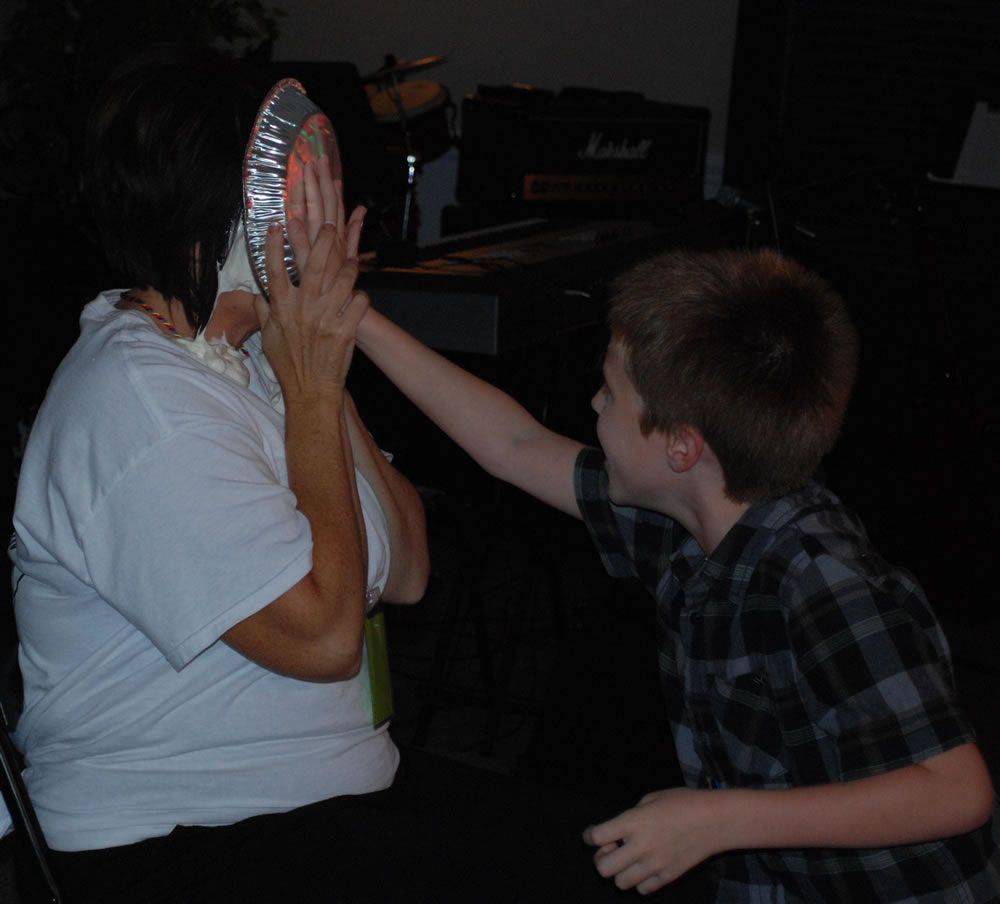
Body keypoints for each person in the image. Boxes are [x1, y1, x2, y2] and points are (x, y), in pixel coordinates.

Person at [354, 247, 1000, 900]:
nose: (593, 402)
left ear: (682, 447)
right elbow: (514, 445)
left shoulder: (823, 578)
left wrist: (719, 819)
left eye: (610, 393)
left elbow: (956, 791)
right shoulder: (688, 521)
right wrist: (354, 318)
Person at [7, 46, 434, 901]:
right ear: (222, 221)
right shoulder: (137, 402)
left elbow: (412, 572)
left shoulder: (255, 360)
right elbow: (323, 639)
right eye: (296, 202)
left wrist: (320, 372)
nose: (325, 224)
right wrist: (313, 389)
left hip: (307, 810)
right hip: (185, 836)